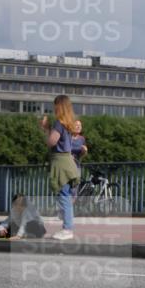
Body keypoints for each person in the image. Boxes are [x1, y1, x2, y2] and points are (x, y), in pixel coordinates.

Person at [40, 95, 80, 240]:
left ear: (59, 106)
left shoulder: (59, 123)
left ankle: (67, 229)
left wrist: (45, 129)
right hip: (69, 163)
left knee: (63, 196)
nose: (53, 108)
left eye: (55, 105)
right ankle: (67, 227)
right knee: (66, 197)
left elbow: (51, 142)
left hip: (61, 163)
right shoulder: (68, 124)